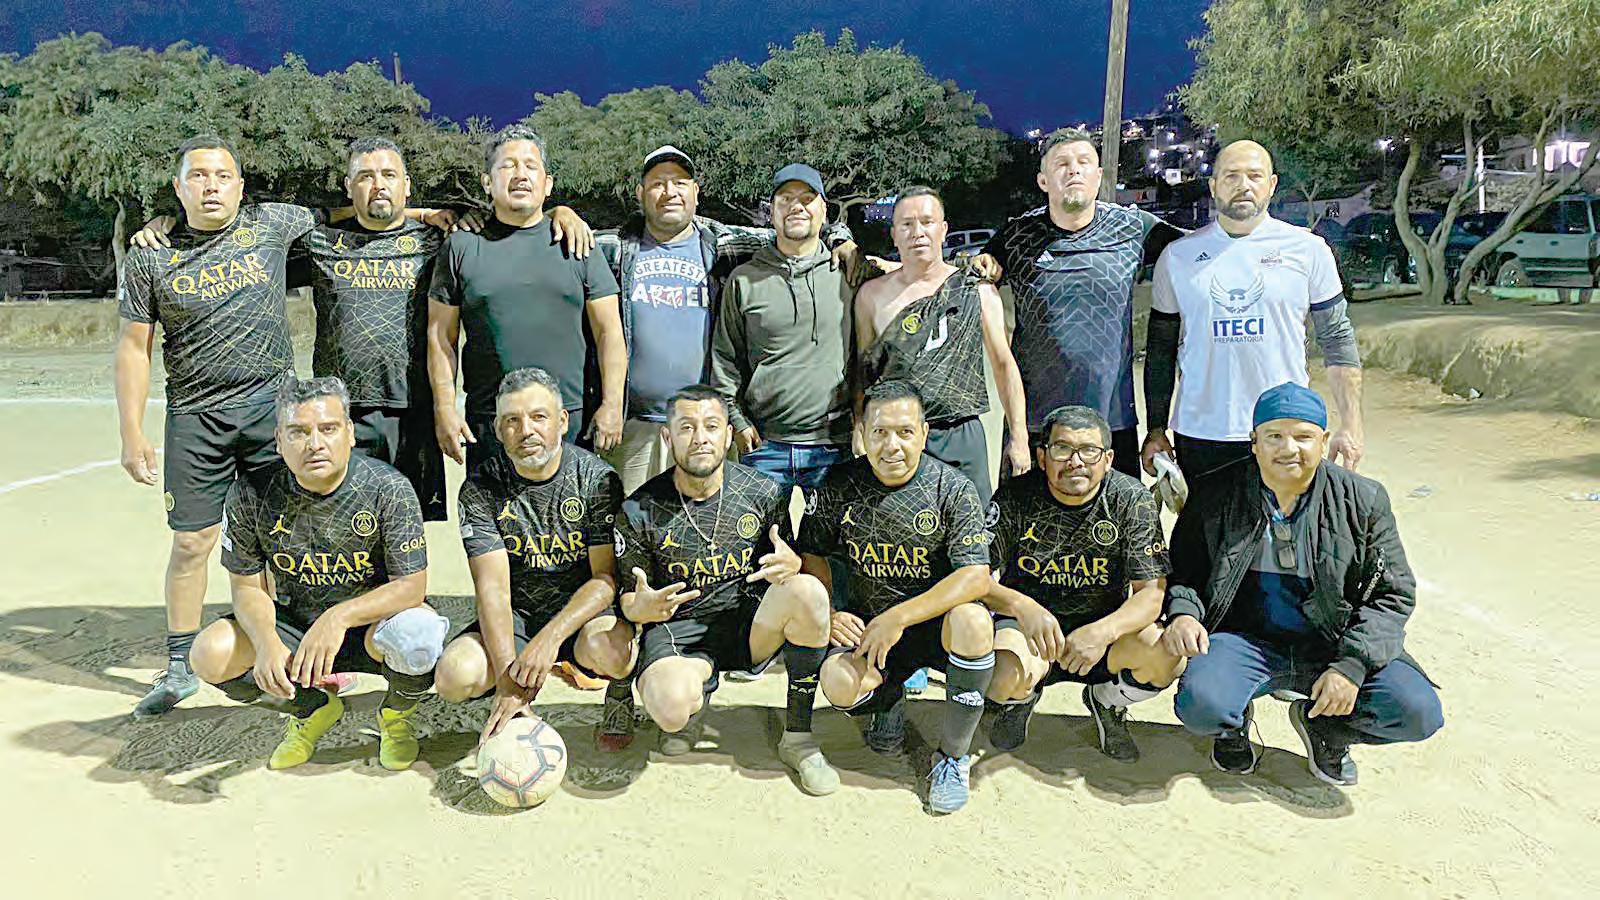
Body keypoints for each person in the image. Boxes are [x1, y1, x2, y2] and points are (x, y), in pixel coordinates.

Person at [132, 138, 595, 520]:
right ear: (348, 187)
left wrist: (562, 211)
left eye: (389, 175)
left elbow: (511, 225)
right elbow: (247, 238)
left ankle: (405, 605)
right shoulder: (318, 242)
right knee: (338, 519)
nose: (379, 185)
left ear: (407, 186)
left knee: (405, 523)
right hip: (341, 411)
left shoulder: (440, 240)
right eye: (366, 176)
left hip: (412, 410)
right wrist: (166, 223)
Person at [116, 135, 328, 719]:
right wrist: (131, 430)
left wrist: (428, 214)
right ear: (178, 187)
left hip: (272, 412)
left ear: (240, 185)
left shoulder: (272, 224)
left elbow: (357, 217)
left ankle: (282, 652)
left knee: (281, 538)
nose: (211, 186)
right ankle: (179, 667)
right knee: (192, 543)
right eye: (198, 176)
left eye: (223, 176)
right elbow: (134, 348)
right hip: (196, 417)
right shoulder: (151, 256)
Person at [1164, 383, 1442, 785]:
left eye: (1303, 436)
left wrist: (1351, 666)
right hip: (1245, 639)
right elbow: (1185, 572)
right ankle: (1231, 728)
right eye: (1274, 436)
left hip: (1332, 640)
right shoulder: (1216, 493)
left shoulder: (1363, 500)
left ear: (1324, 441)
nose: (1288, 448)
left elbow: (1392, 594)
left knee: (1417, 711)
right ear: (1254, 442)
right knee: (1202, 704)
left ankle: (1328, 730)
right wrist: (1184, 615)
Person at [187, 376, 446, 771]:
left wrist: (337, 618)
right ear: (279, 440)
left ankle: (395, 717)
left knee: (420, 635)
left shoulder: (388, 488)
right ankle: (312, 709)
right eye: (298, 432)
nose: (315, 444)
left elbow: (411, 586)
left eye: (328, 429)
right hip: (297, 630)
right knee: (209, 654)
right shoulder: (251, 492)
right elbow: (246, 587)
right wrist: (266, 642)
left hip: (370, 628)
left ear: (350, 433)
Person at [614, 385, 838, 795]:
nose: (700, 438)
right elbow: (629, 600)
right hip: (681, 631)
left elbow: (789, 559)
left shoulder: (764, 492)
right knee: (669, 708)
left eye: (711, 426)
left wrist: (793, 565)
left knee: (808, 592)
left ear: (728, 434)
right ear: (667, 437)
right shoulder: (639, 509)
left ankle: (798, 737)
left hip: (749, 623)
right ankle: (694, 703)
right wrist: (640, 607)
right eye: (686, 427)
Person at [596, 146, 857, 494]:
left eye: (680, 183)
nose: (670, 192)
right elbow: (559, 238)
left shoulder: (723, 243)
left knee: (717, 517)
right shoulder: (615, 247)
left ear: (696, 192)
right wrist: (562, 213)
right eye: (658, 184)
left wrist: (841, 239)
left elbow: (796, 229)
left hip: (710, 426)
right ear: (640, 193)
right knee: (638, 516)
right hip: (637, 424)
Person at [801, 381, 994, 815]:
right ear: (862, 433)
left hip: (934, 629)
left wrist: (900, 617)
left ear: (924, 434)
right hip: (870, 631)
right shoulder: (838, 484)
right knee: (837, 682)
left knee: (974, 622)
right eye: (880, 432)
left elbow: (975, 576)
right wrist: (830, 610)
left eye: (905, 432)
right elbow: (811, 553)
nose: (892, 446)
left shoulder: (953, 488)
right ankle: (888, 702)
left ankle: (952, 757)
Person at [432, 368, 637, 749]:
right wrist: (510, 682)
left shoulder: (597, 480)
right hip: (519, 617)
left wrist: (550, 639)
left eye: (539, 417)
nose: (526, 430)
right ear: (498, 430)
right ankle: (510, 702)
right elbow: (493, 590)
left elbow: (605, 579)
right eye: (512, 420)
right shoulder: (480, 488)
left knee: (615, 653)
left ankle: (618, 695)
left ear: (562, 421)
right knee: (453, 677)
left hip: (580, 618)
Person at [1143, 139, 1365, 484]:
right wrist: (1156, 428)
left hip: (1283, 428)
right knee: (1204, 521)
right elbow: (1161, 351)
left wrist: (1351, 424)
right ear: (1214, 186)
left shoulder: (1309, 250)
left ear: (1271, 184)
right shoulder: (1178, 257)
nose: (1243, 185)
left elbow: (1337, 340)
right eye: (1231, 176)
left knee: (1287, 521)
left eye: (1254, 175)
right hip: (1202, 434)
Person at [976, 127, 1185, 478]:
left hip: (1112, 423)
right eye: (1062, 164)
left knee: (1117, 514)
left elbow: (1199, 252)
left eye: (1083, 162)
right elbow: (963, 273)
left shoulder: (1135, 227)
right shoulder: (1015, 237)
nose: (1073, 169)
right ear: (1043, 181)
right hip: (1035, 427)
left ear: (1098, 175)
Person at [983, 405, 1183, 761]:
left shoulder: (1131, 499)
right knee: (999, 676)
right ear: (1042, 457)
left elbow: (1151, 595)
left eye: (1089, 451)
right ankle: (1021, 698)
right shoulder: (1015, 497)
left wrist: (1103, 631)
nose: (1076, 462)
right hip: (1031, 631)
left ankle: (1107, 700)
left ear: (1108, 459)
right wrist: (1022, 607)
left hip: (1104, 633)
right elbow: (975, 577)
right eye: (1062, 449)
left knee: (1167, 654)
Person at [428, 125, 625, 476]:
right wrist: (444, 408)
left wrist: (612, 403)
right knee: (491, 513)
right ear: (487, 182)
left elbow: (609, 332)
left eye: (530, 166)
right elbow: (441, 336)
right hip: (492, 423)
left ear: (547, 184)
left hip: (569, 422)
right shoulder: (461, 246)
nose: (520, 174)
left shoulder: (579, 243)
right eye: (508, 166)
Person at [855, 185, 1030, 506]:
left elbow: (1004, 365)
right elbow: (863, 374)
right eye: (906, 224)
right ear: (894, 234)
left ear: (944, 229)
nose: (917, 232)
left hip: (961, 433)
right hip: (898, 437)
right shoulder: (871, 295)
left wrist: (1019, 436)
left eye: (927, 222)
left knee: (972, 526)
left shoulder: (975, 289)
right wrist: (859, 427)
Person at [709, 163, 854, 491]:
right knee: (759, 527)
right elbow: (725, 360)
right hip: (765, 446)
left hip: (835, 446)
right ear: (771, 212)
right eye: (786, 199)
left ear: (824, 211)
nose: (796, 206)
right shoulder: (744, 280)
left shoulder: (848, 273)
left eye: (807, 198)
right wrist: (737, 421)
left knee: (833, 528)